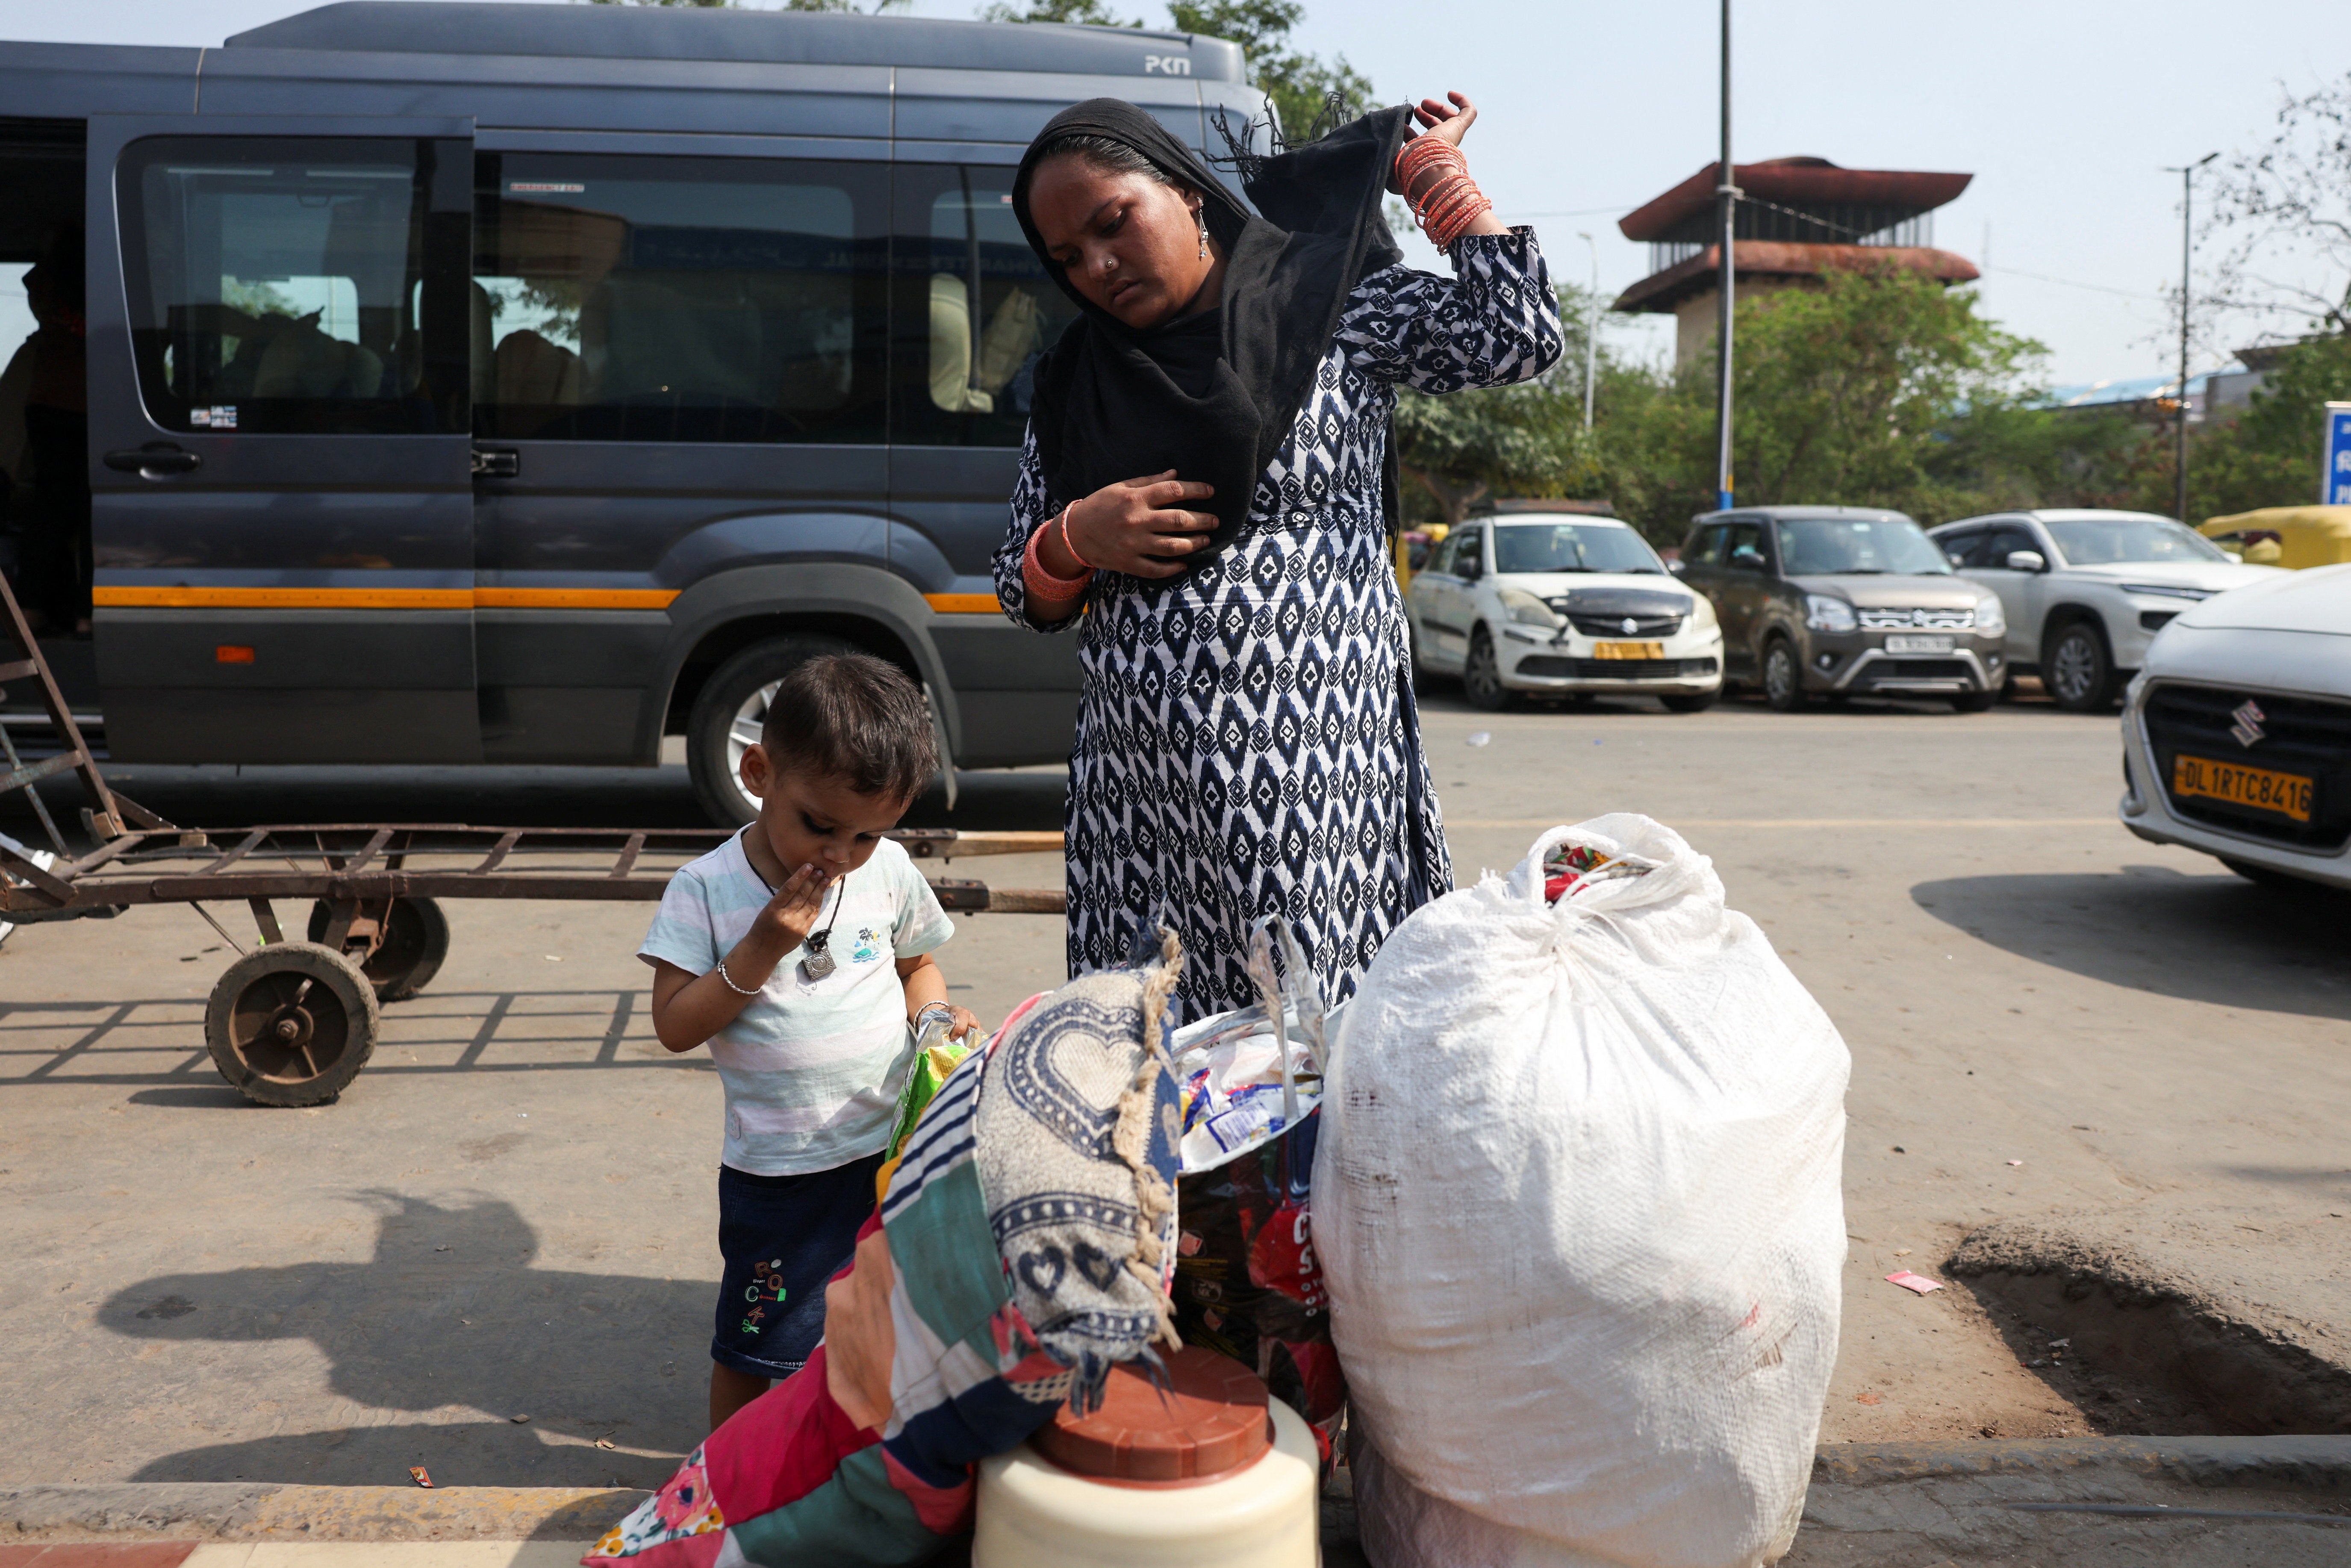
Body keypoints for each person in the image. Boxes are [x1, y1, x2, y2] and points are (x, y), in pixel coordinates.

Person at [994, 91, 1561, 1020]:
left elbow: (1519, 332)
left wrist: (1433, 180)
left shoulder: (1328, 304)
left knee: (1314, 1063)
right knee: (1157, 1075)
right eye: (1066, 258)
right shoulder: (1075, 378)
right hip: (1140, 812)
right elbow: (1023, 589)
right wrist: (1074, 539)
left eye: (1111, 224)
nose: (1096, 266)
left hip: (1314, 796)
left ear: (1183, 192)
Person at [639, 651, 980, 1430]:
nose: (840, 856)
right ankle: (728, 1471)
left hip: (890, 1150)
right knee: (756, 1343)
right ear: (758, 771)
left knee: (877, 1323)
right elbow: (673, 1026)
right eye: (820, 827)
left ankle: (841, 1457)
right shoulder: (706, 889)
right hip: (781, 1175)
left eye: (865, 836)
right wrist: (760, 947)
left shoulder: (885, 870)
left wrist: (934, 1022)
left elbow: (918, 964)